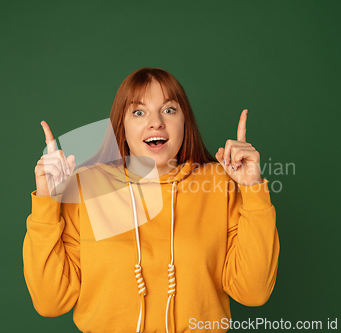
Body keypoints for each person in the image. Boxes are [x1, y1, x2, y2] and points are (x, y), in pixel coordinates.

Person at [23, 67, 280, 333]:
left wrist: (252, 188)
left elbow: (254, 292)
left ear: (185, 122)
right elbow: (50, 302)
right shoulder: (86, 187)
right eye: (138, 112)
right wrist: (46, 200)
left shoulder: (220, 183)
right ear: (120, 125)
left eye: (169, 110)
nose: (156, 122)